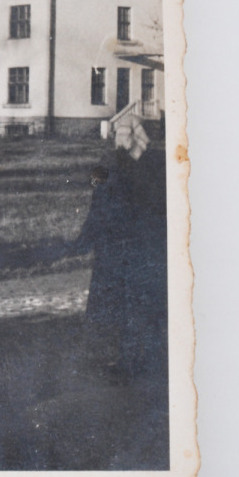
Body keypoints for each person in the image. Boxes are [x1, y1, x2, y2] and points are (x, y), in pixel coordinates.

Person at [73, 117, 167, 380]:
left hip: (118, 249)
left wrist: (83, 240)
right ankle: (138, 359)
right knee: (139, 305)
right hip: (143, 248)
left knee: (121, 304)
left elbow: (98, 205)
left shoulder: (111, 166)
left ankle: (126, 362)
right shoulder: (154, 164)